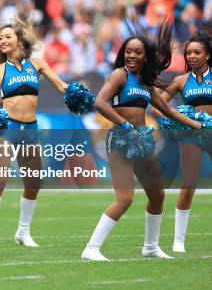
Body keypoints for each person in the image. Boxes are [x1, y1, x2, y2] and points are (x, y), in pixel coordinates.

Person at [81, 22, 202, 261]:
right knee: (125, 198)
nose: (132, 55)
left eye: (137, 52)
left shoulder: (146, 84)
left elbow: (168, 110)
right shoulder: (119, 75)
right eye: (128, 51)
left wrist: (199, 125)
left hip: (143, 141)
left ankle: (151, 246)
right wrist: (125, 125)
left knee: (157, 195)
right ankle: (91, 248)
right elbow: (100, 103)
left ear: (146, 56)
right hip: (121, 139)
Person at [0, 17, 67, 248]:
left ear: (20, 40)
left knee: (34, 183)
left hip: (30, 129)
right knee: (1, 177)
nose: (3, 40)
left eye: (8, 36)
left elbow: (61, 85)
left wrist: (78, 93)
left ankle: (23, 232)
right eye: (0, 38)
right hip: (6, 129)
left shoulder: (37, 64)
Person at [152, 32, 211, 253]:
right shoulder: (181, 80)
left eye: (197, 52)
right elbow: (157, 107)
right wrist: (178, 119)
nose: (192, 56)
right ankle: (179, 241)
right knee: (188, 185)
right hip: (191, 136)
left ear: (208, 55)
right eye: (189, 53)